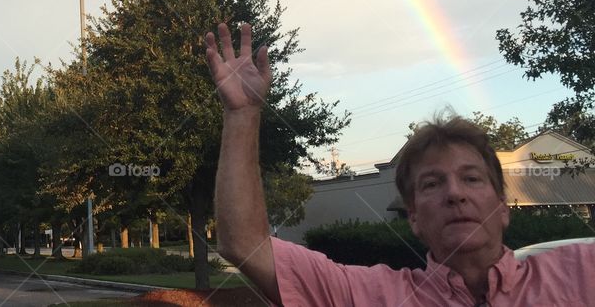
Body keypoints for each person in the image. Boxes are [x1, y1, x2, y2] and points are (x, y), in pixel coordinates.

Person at [205, 21, 595, 306]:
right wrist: (242, 115)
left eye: (472, 178)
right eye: (432, 184)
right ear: (413, 217)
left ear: (503, 206)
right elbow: (245, 245)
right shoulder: (370, 296)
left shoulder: (581, 271)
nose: (454, 193)